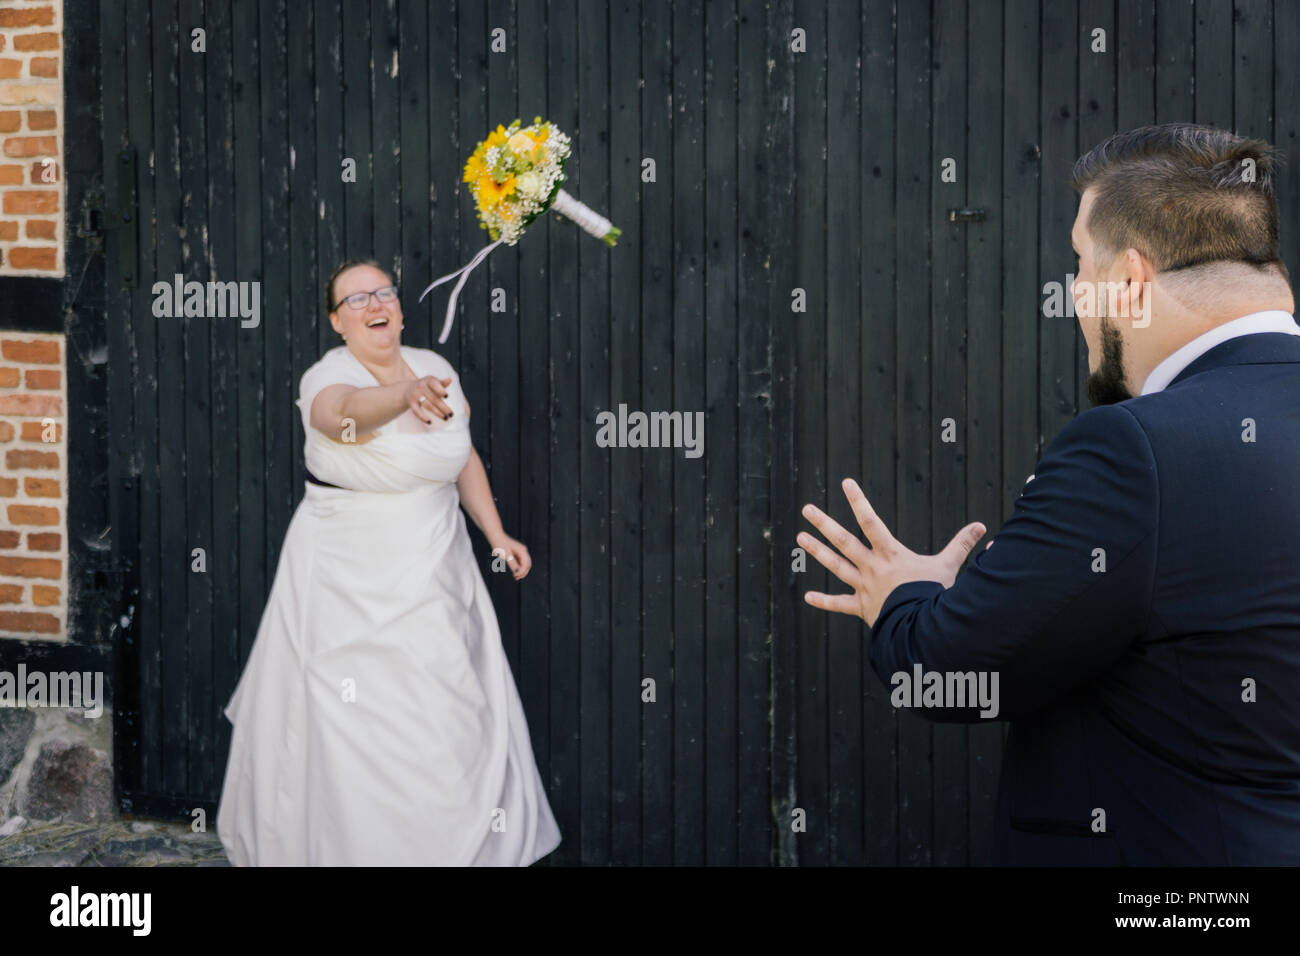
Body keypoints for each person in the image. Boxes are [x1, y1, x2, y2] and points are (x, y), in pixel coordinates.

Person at [798, 123, 1300, 864]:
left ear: (1129, 282)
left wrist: (906, 597)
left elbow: (953, 674)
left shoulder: (1136, 451)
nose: (1073, 296)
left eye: (1079, 264)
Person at [216, 258, 561, 865]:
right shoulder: (325, 377)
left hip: (436, 570)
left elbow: (461, 457)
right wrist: (401, 395)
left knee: (446, 714)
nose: (374, 303)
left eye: (384, 293)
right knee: (358, 722)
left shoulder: (436, 368)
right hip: (348, 580)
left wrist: (496, 533)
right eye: (355, 299)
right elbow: (341, 414)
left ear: (399, 308)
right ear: (337, 322)